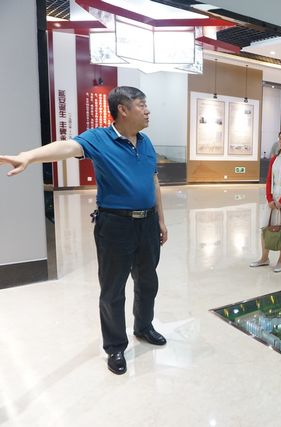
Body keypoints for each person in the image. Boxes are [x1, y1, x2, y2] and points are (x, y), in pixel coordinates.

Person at [0, 86, 168, 375]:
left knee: (148, 281)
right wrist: (28, 156)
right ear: (123, 109)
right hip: (115, 224)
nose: (148, 110)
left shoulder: (146, 142)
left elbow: (153, 183)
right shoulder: (99, 138)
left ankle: (144, 326)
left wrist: (161, 221)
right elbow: (67, 147)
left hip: (148, 223)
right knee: (113, 288)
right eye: (142, 105)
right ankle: (115, 346)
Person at [250, 129, 281, 272]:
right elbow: (269, 179)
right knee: (265, 227)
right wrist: (269, 198)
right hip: (272, 195)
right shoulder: (274, 159)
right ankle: (264, 258)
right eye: (280, 138)